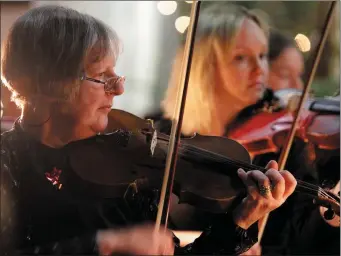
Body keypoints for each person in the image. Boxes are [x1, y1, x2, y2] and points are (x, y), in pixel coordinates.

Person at [0, 5, 297, 255]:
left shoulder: (124, 166)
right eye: (102, 76)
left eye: (116, 73)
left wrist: (240, 222)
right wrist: (104, 245)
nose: (119, 88)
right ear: (51, 83)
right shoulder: (7, 160)